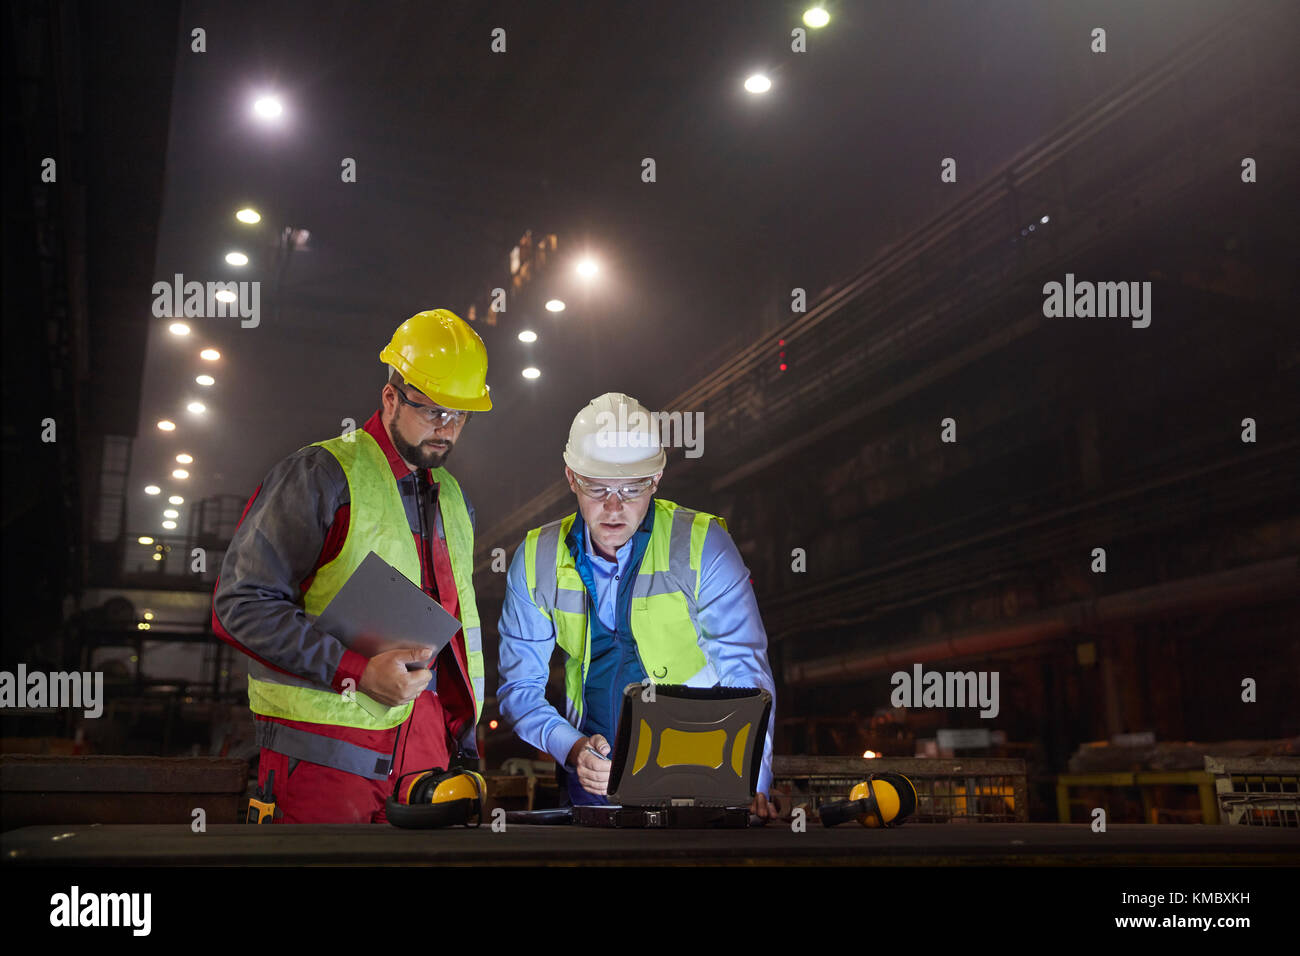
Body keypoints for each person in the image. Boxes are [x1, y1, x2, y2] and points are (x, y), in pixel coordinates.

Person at [212, 309, 490, 823]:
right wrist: (356, 672)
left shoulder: (454, 499)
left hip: (427, 755)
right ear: (391, 398)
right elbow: (241, 604)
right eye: (432, 411)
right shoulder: (319, 476)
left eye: (460, 416)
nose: (446, 430)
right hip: (323, 756)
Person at [497, 392, 780, 819]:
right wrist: (572, 749)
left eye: (632, 488)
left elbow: (748, 676)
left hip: (701, 781)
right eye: (597, 488)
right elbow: (519, 689)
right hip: (591, 784)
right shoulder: (536, 559)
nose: (614, 507)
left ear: (657, 479)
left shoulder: (703, 547)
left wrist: (750, 785)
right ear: (571, 477)